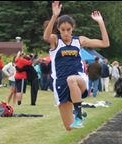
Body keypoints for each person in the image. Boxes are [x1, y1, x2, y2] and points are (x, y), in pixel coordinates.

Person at [43, 1, 110, 130]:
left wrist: (100, 22)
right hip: (60, 84)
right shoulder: (55, 41)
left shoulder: (79, 40)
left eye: (68, 30)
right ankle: (79, 113)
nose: (66, 33)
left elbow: (105, 43)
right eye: (63, 30)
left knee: (71, 79)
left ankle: (78, 116)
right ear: (59, 29)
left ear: (73, 28)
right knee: (69, 127)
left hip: (79, 80)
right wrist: (54, 16)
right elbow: (46, 36)